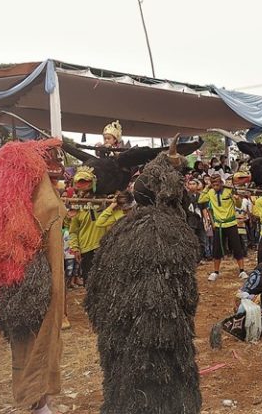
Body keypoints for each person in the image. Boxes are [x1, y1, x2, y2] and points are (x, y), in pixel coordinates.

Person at [85, 139, 202, 413]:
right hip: (163, 335)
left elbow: (95, 294)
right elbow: (187, 294)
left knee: (125, 390)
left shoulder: (121, 230)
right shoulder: (172, 230)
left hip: (120, 334)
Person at [0, 138, 66, 413]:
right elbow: (55, 273)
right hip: (35, 287)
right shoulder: (45, 203)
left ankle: (34, 396)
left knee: (22, 342)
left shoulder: (6, 204)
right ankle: (37, 400)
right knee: (39, 338)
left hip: (12, 288)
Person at [200, 174, 247, 281]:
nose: (215, 186)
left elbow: (239, 205)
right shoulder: (210, 192)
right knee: (216, 249)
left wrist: (237, 199)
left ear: (221, 183)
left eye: (217, 184)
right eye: (213, 184)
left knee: (237, 247)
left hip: (231, 224)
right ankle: (215, 272)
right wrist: (207, 187)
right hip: (218, 225)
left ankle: (242, 270)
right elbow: (201, 200)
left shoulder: (229, 191)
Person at [67, 166, 107, 285]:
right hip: (86, 249)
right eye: (80, 182)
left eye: (85, 181)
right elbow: (73, 231)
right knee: (90, 283)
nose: (82, 185)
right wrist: (75, 248)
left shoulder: (104, 200)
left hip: (103, 247)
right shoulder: (76, 207)